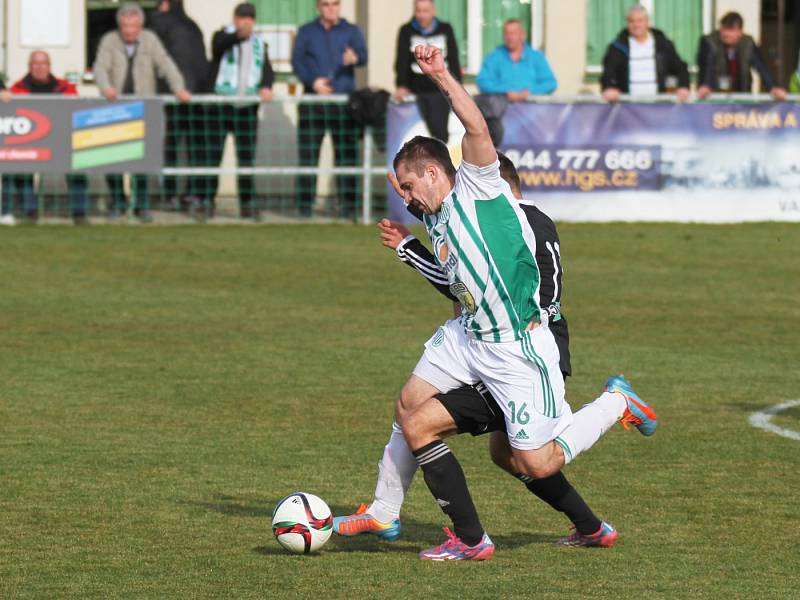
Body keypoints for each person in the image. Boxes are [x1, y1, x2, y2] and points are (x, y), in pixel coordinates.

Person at [363, 45, 657, 561]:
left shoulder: (480, 187)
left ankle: (616, 403)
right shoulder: (435, 215)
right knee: (412, 411)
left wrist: (442, 77)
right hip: (472, 337)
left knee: (535, 463)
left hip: (518, 347)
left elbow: (475, 129)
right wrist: (411, 232)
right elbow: (457, 279)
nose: (407, 196)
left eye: (411, 185)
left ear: (435, 172)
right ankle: (411, 520)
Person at [333, 153, 619, 549]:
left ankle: (614, 404)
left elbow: (485, 290)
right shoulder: (515, 219)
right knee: (503, 453)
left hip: (520, 356)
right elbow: (465, 285)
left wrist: (411, 247)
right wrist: (420, 224)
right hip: (488, 345)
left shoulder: (507, 223)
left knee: (528, 458)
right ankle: (590, 527)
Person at [93, 2, 190, 221]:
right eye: (125, 26)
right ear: (120, 25)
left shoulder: (150, 40)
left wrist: (179, 88)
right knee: (113, 159)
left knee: (142, 160)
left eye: (133, 26)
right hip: (115, 109)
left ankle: (142, 205)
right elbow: (100, 67)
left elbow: (165, 64)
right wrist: (106, 87)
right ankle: (118, 201)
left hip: (142, 109)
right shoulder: (109, 40)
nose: (129, 31)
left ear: (140, 26)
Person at [292, 0, 367, 219]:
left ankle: (348, 207)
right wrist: (313, 82)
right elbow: (297, 61)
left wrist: (355, 57)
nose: (330, 8)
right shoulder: (307, 31)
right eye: (325, 4)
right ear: (318, 7)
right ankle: (304, 207)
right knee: (308, 156)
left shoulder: (351, 31)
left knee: (346, 156)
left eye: (334, 4)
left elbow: (363, 55)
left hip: (343, 105)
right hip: (313, 104)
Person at [1, 51, 89, 225]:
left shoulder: (65, 87)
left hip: (62, 141)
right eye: (35, 63)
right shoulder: (17, 89)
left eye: (43, 63)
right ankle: (29, 211)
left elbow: (76, 105)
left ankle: (79, 214)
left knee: (78, 168)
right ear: (29, 66)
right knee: (17, 167)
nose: (39, 67)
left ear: (49, 66)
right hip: (30, 144)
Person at [208, 2, 274, 220]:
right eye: (242, 17)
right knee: (213, 156)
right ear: (234, 19)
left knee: (246, 159)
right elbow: (218, 48)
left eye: (249, 18)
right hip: (222, 105)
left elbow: (267, 70)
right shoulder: (222, 36)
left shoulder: (259, 44)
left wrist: (266, 86)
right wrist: (238, 35)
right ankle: (208, 201)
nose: (246, 22)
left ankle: (247, 204)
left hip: (247, 109)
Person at [149, 0, 211, 215]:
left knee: (171, 146)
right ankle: (194, 192)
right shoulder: (193, 26)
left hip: (172, 96)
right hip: (197, 96)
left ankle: (170, 193)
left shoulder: (159, 24)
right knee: (196, 147)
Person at [475, 18, 557, 145]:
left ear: (522, 35)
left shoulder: (536, 57)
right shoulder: (494, 57)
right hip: (499, 120)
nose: (510, 37)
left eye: (513, 33)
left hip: (532, 120)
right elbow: (482, 81)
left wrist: (529, 93)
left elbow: (551, 83)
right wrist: (506, 93)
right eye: (507, 33)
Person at [394, 0, 462, 142]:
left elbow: (454, 59)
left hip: (441, 89)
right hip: (416, 89)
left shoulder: (446, 29)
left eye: (425, 11)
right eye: (419, 11)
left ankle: (441, 160)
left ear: (433, 11)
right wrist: (402, 85)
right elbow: (402, 61)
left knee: (440, 134)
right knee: (419, 135)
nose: (422, 15)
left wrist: (457, 87)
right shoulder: (406, 30)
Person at [600, 5, 689, 103]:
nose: (636, 25)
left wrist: (683, 86)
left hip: (659, 106)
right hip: (628, 108)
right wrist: (609, 87)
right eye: (631, 21)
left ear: (647, 22)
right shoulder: (617, 47)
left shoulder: (663, 45)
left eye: (640, 20)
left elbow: (680, 68)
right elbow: (608, 73)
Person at [696, 12, 788, 100]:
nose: (726, 33)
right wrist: (705, 85)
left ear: (740, 32)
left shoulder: (748, 43)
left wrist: (773, 87)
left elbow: (761, 67)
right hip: (716, 97)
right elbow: (707, 66)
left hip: (742, 97)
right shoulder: (710, 42)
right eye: (724, 28)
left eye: (730, 29)